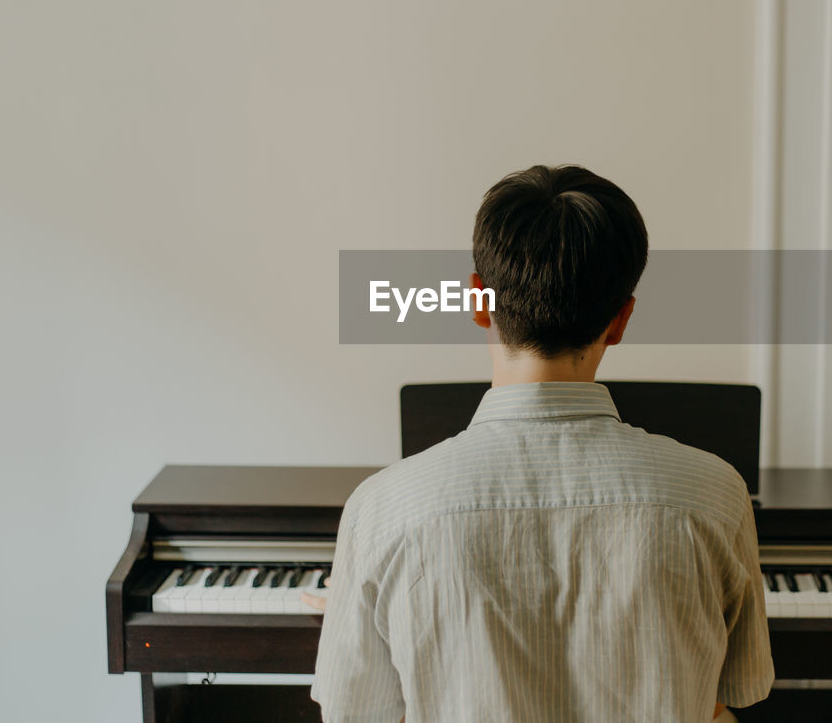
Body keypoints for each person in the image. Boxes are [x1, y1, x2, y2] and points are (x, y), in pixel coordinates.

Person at [310, 165, 773, 722]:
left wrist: (377, 614)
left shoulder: (380, 509)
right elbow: (734, 692)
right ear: (621, 318)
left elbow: (355, 714)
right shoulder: (717, 493)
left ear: (478, 301)